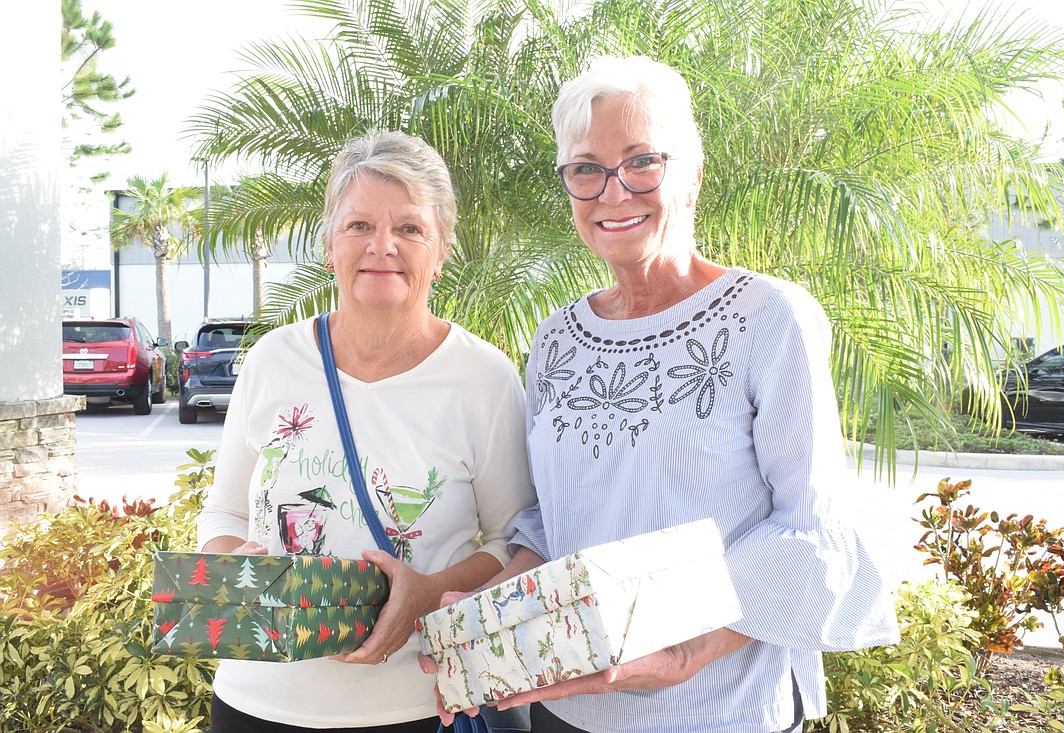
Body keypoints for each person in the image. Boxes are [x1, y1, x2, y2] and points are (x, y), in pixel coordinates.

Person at [433, 56, 900, 733]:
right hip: (571, 706)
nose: (613, 192)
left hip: (721, 711)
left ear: (693, 175)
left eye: (642, 160)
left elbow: (810, 530)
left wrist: (684, 651)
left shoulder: (769, 319)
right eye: (586, 168)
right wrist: (484, 616)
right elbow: (551, 522)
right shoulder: (557, 338)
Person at [197, 131, 536, 732]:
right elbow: (223, 515)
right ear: (329, 245)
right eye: (359, 226)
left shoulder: (483, 378)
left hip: (413, 707)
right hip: (255, 700)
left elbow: (517, 544)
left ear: (441, 250)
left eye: (410, 228)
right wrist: (237, 565)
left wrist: (429, 591)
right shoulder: (272, 360)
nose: (383, 246)